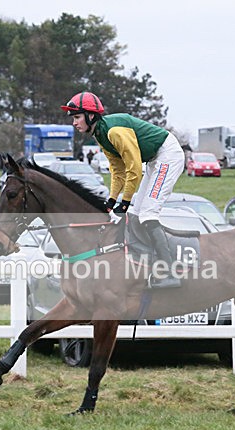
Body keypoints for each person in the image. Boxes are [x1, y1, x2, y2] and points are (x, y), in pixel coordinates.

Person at [61, 91, 185, 289]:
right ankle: (145, 265)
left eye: (77, 117)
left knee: (147, 213)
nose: (74, 123)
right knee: (136, 214)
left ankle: (170, 272)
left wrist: (124, 203)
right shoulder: (100, 135)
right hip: (154, 159)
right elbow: (118, 171)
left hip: (167, 155)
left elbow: (134, 168)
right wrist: (112, 201)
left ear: (90, 116)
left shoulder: (113, 132)